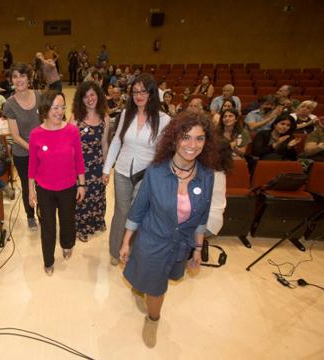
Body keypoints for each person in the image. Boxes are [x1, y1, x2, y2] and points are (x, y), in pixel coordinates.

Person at [119, 112, 217, 348]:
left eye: (199, 138)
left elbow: (202, 216)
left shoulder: (207, 176)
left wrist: (197, 248)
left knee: (156, 279)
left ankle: (143, 288)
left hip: (181, 244)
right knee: (156, 288)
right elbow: (138, 208)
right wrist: (125, 242)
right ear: (174, 139)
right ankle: (153, 320)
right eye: (186, 137)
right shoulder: (155, 172)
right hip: (153, 240)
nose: (192, 145)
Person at [102, 74, 171, 265]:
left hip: (147, 175)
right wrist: (107, 169)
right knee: (122, 212)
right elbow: (116, 141)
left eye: (143, 91)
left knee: (138, 213)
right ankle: (116, 251)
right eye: (135, 92)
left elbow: (165, 151)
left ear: (152, 93)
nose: (139, 95)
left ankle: (132, 249)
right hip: (123, 171)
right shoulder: (126, 114)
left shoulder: (164, 119)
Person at [28, 91, 85, 275]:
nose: (59, 111)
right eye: (55, 107)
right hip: (44, 189)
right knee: (48, 226)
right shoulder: (36, 134)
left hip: (68, 186)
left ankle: (67, 244)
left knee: (68, 221)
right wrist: (31, 191)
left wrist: (82, 184)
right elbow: (32, 166)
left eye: (62, 107)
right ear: (45, 108)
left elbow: (79, 160)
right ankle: (48, 260)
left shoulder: (72, 131)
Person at [69, 81, 110, 242]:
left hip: (97, 165)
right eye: (85, 96)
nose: (89, 99)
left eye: (92, 94)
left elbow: (104, 144)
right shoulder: (75, 119)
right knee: (81, 197)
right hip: (79, 166)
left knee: (97, 195)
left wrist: (106, 169)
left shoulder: (105, 118)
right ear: (81, 99)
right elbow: (68, 146)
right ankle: (81, 228)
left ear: (98, 96)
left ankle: (96, 222)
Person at [3, 63, 42, 229]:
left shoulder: (40, 96)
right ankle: (30, 215)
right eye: (15, 76)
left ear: (29, 78)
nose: (19, 80)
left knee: (44, 185)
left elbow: (48, 123)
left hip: (43, 150)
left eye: (22, 75)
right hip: (23, 153)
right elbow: (15, 136)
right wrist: (34, 149)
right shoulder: (9, 104)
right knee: (28, 186)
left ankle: (44, 213)